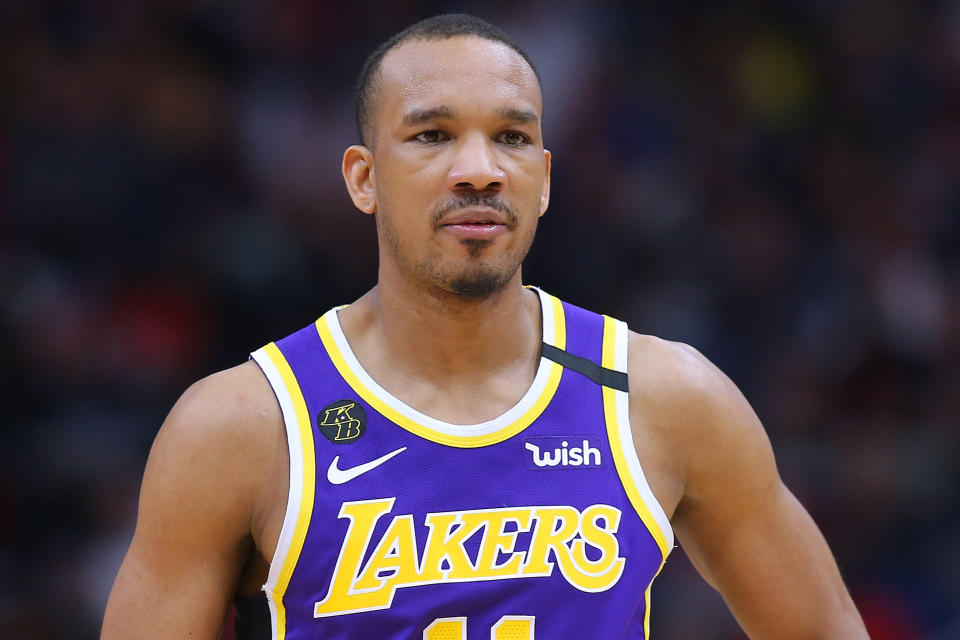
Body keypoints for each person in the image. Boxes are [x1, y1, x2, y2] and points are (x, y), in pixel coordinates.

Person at [101, 13, 869, 640]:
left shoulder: (668, 397)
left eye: (511, 137)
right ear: (363, 178)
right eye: (432, 135)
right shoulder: (240, 426)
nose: (479, 169)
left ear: (541, 178)